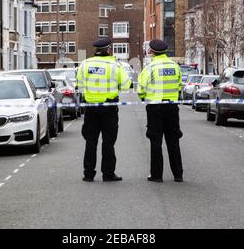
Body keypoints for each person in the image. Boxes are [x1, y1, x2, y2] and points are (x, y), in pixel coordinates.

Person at [76, 38, 131, 182]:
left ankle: (88, 174)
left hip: (91, 108)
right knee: (108, 142)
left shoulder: (85, 64)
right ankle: (108, 174)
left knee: (90, 142)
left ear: (95, 50)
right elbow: (126, 85)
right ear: (108, 50)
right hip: (109, 109)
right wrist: (116, 87)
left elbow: (79, 85)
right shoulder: (115, 65)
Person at [138, 40, 184, 183]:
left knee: (155, 141)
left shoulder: (149, 67)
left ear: (151, 51)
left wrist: (146, 98)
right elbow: (179, 86)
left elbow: (140, 89)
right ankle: (178, 175)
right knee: (173, 141)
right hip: (171, 107)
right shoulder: (175, 66)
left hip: (155, 108)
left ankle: (157, 175)